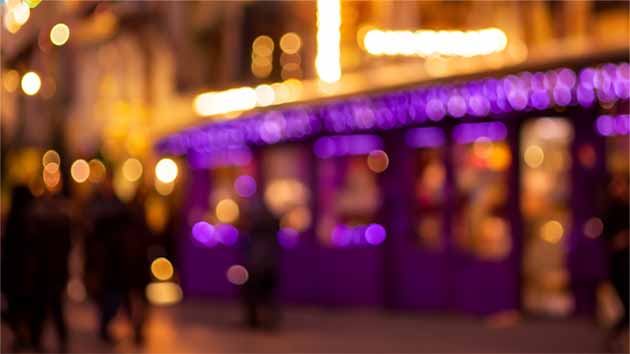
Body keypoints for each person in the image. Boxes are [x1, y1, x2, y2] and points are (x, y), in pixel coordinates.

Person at [84, 180, 150, 344]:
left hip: (121, 269)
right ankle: (129, 330)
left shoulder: (117, 222)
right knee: (117, 300)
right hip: (117, 269)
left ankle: (132, 330)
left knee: (120, 300)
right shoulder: (117, 223)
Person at [27, 192, 73, 353]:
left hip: (47, 272)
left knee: (47, 308)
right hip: (50, 272)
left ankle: (40, 340)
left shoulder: (41, 221)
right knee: (52, 308)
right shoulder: (59, 221)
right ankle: (54, 340)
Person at [1, 186, 36, 351]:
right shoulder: (27, 219)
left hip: (16, 273)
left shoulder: (14, 219)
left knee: (17, 306)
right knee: (23, 306)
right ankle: (24, 336)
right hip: (23, 273)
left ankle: (22, 336)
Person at [241, 196, 280, 329]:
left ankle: (255, 320)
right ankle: (267, 320)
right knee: (266, 295)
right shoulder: (273, 222)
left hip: (257, 263)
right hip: (268, 263)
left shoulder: (255, 224)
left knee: (255, 293)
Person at [603, 173, 629, 351]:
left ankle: (616, 336)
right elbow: (607, 238)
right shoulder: (611, 210)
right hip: (619, 265)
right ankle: (615, 336)